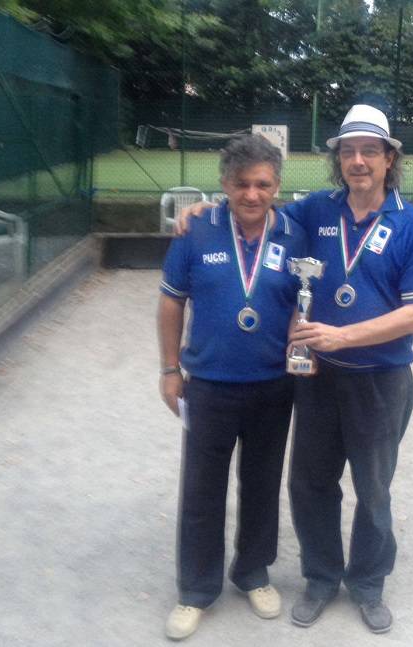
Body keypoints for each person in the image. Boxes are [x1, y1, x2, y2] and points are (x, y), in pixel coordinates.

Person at [176, 104, 413, 634]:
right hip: (316, 377)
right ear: (337, 159)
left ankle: (367, 583)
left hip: (381, 379)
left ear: (390, 158)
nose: (357, 161)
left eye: (369, 151)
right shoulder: (316, 211)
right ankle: (320, 577)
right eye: (347, 151)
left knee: (374, 486)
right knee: (311, 482)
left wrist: (342, 335)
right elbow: (254, 208)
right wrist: (205, 209)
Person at [157, 134, 306, 641]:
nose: (252, 194)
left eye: (263, 184)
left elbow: (302, 304)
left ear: (277, 186)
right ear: (224, 184)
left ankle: (253, 572)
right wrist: (168, 368)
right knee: (202, 489)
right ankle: (196, 589)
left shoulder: (295, 233)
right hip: (210, 387)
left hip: (272, 385)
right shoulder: (196, 229)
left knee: (262, 483)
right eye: (241, 184)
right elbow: (171, 302)